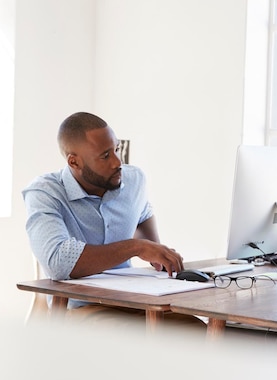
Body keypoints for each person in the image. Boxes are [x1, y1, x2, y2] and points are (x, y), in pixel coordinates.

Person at [23, 112, 199, 328]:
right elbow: (58, 262)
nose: (118, 162)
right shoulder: (44, 193)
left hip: (134, 301)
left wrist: (155, 251)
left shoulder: (134, 180)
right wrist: (136, 247)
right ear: (74, 161)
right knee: (140, 341)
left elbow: (142, 213)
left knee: (196, 331)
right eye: (105, 156)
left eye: (117, 149)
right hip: (80, 308)